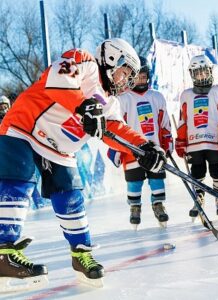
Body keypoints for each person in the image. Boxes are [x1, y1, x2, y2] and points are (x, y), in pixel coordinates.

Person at [0, 38, 166, 290]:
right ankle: (3, 252)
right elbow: (58, 81)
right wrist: (84, 106)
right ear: (112, 59)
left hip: (59, 149)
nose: (126, 80)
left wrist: (144, 147)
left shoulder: (111, 102)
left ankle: (81, 255)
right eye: (125, 72)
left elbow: (114, 129)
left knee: (71, 196)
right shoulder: (84, 61)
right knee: (20, 179)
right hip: (25, 127)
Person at [107, 57, 173, 229]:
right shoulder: (122, 99)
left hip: (155, 149)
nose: (141, 80)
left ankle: (158, 205)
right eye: (137, 77)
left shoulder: (157, 97)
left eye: (144, 77)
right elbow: (115, 126)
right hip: (131, 151)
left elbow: (164, 123)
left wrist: (167, 142)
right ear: (130, 77)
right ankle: (135, 208)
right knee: (134, 182)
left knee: (157, 179)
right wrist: (115, 150)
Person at [175, 54, 218, 218]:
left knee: (217, 169)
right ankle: (198, 198)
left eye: (204, 72)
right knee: (197, 171)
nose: (201, 76)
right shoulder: (186, 95)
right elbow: (183, 120)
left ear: (210, 72)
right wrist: (180, 141)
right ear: (192, 75)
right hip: (194, 142)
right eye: (197, 73)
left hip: (214, 141)